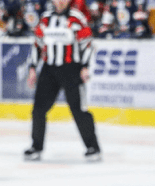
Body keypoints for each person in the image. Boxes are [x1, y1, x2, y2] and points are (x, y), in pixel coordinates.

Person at [25, 0, 101, 162]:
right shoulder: (45, 19)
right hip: (49, 69)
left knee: (79, 110)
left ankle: (92, 147)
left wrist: (85, 66)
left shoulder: (76, 18)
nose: (60, 1)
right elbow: (37, 44)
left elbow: (88, 44)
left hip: (72, 70)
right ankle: (36, 147)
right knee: (38, 109)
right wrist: (32, 68)